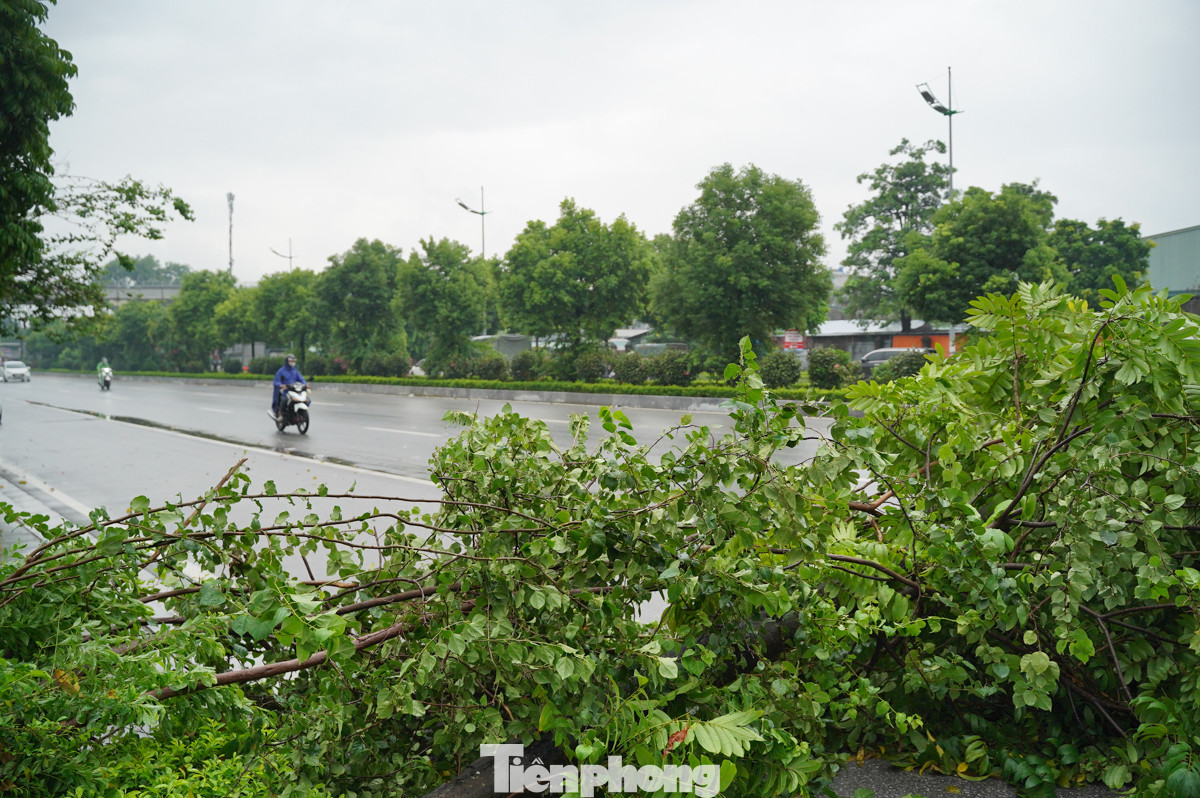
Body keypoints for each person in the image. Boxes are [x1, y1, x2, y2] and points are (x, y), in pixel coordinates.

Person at [269, 354, 306, 419]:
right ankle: (280, 414)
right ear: (287, 361)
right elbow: (276, 380)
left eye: (293, 361)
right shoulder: (281, 371)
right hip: (285, 392)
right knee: (284, 400)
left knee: (305, 399)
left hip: (294, 391)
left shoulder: (295, 371)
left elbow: (301, 379)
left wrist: (305, 384)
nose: (292, 362)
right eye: (291, 361)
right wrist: (281, 385)